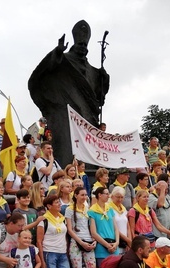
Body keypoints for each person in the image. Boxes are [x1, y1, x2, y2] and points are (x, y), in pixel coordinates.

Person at [28, 20, 109, 167]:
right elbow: (44, 71)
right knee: (67, 144)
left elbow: (99, 99)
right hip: (65, 113)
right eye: (80, 44)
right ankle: (64, 168)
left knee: (88, 149)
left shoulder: (92, 70)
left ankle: (87, 168)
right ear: (74, 43)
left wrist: (103, 79)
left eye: (85, 45)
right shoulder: (63, 60)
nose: (83, 47)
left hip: (87, 118)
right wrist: (57, 52)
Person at [65, 187, 96, 268]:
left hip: (89, 241)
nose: (84, 197)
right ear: (76, 195)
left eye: (85, 195)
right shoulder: (69, 209)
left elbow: (92, 227)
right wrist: (80, 242)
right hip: (76, 243)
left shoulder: (88, 207)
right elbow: (70, 229)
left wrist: (94, 240)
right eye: (82, 195)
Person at [109, 186, 132, 253]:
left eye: (122, 197)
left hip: (125, 242)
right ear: (112, 196)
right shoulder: (109, 208)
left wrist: (129, 242)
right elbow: (113, 227)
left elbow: (128, 227)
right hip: (116, 240)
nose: (120, 199)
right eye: (118, 197)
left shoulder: (123, 209)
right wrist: (127, 240)